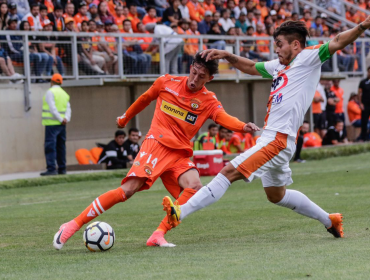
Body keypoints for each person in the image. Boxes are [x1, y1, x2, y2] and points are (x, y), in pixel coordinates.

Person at [162, 18, 370, 241]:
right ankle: (331, 220)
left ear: (295, 45)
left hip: (277, 139)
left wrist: (363, 25)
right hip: (276, 139)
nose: (276, 49)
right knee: (276, 195)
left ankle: (180, 212)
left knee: (228, 172)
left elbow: (337, 41)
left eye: (280, 44)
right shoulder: (279, 66)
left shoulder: (309, 58)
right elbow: (251, 67)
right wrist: (227, 56)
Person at [52, 52, 258, 250]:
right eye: (194, 72)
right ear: (190, 68)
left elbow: (224, 118)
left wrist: (242, 126)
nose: (195, 79)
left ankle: (158, 234)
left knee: (194, 187)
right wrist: (125, 118)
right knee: (128, 190)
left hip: (179, 153)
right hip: (156, 144)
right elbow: (144, 99)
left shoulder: (208, 101)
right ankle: (73, 224)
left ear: (210, 78)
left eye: (201, 76)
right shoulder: (166, 82)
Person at [41, 74, 72, 176]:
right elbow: (68, 108)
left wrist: (59, 119)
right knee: (61, 147)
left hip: (51, 124)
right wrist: (65, 119)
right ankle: (62, 168)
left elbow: (52, 108)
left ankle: (51, 169)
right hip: (62, 124)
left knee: (50, 146)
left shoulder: (50, 92)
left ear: (52, 81)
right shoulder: (64, 93)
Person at [358, 67, 370, 141]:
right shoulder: (363, 82)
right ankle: (364, 137)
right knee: (364, 122)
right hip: (365, 105)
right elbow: (359, 93)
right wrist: (360, 103)